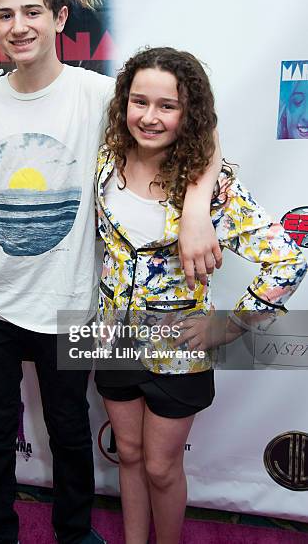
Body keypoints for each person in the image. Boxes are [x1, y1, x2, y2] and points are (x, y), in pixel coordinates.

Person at [0, 0, 222, 544]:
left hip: (70, 303)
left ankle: (74, 532)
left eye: (32, 11)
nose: (18, 25)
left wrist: (197, 209)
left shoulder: (101, 95)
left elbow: (198, 126)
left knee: (70, 428)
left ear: (60, 16)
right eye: (3, 14)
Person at [94, 47, 307, 544]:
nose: (149, 117)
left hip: (178, 354)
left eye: (167, 106)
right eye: (138, 101)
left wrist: (230, 325)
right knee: (126, 454)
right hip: (112, 339)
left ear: (189, 114)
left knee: (162, 468)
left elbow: (289, 258)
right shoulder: (107, 161)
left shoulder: (214, 188)